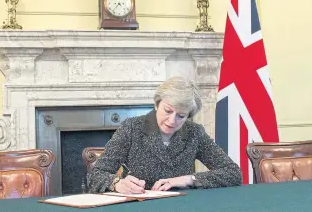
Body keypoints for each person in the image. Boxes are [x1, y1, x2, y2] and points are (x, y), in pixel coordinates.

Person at [86, 76, 243, 193]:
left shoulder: (194, 132)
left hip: (182, 205)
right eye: (167, 111)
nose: (171, 120)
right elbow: (96, 175)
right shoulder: (131, 127)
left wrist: (189, 179)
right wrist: (117, 183)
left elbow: (233, 173)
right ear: (156, 104)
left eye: (181, 116)